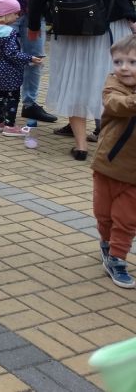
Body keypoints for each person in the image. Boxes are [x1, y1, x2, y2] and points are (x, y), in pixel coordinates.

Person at [27, 0, 136, 160]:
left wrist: (34, 27)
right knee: (111, 83)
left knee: (75, 85)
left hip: (69, 33)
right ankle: (110, 141)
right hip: (107, 31)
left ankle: (80, 146)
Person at [92, 34, 136, 289]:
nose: (124, 68)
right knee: (104, 216)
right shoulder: (113, 86)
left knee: (127, 219)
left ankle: (117, 258)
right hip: (106, 167)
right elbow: (115, 105)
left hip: (132, 174)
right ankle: (107, 244)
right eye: (118, 62)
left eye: (131, 62)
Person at [0, 0, 43, 136]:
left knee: (0, 94)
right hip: (10, 69)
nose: (17, 16)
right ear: (7, 14)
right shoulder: (9, 33)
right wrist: (30, 58)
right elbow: (12, 53)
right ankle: (10, 125)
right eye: (15, 13)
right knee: (13, 96)